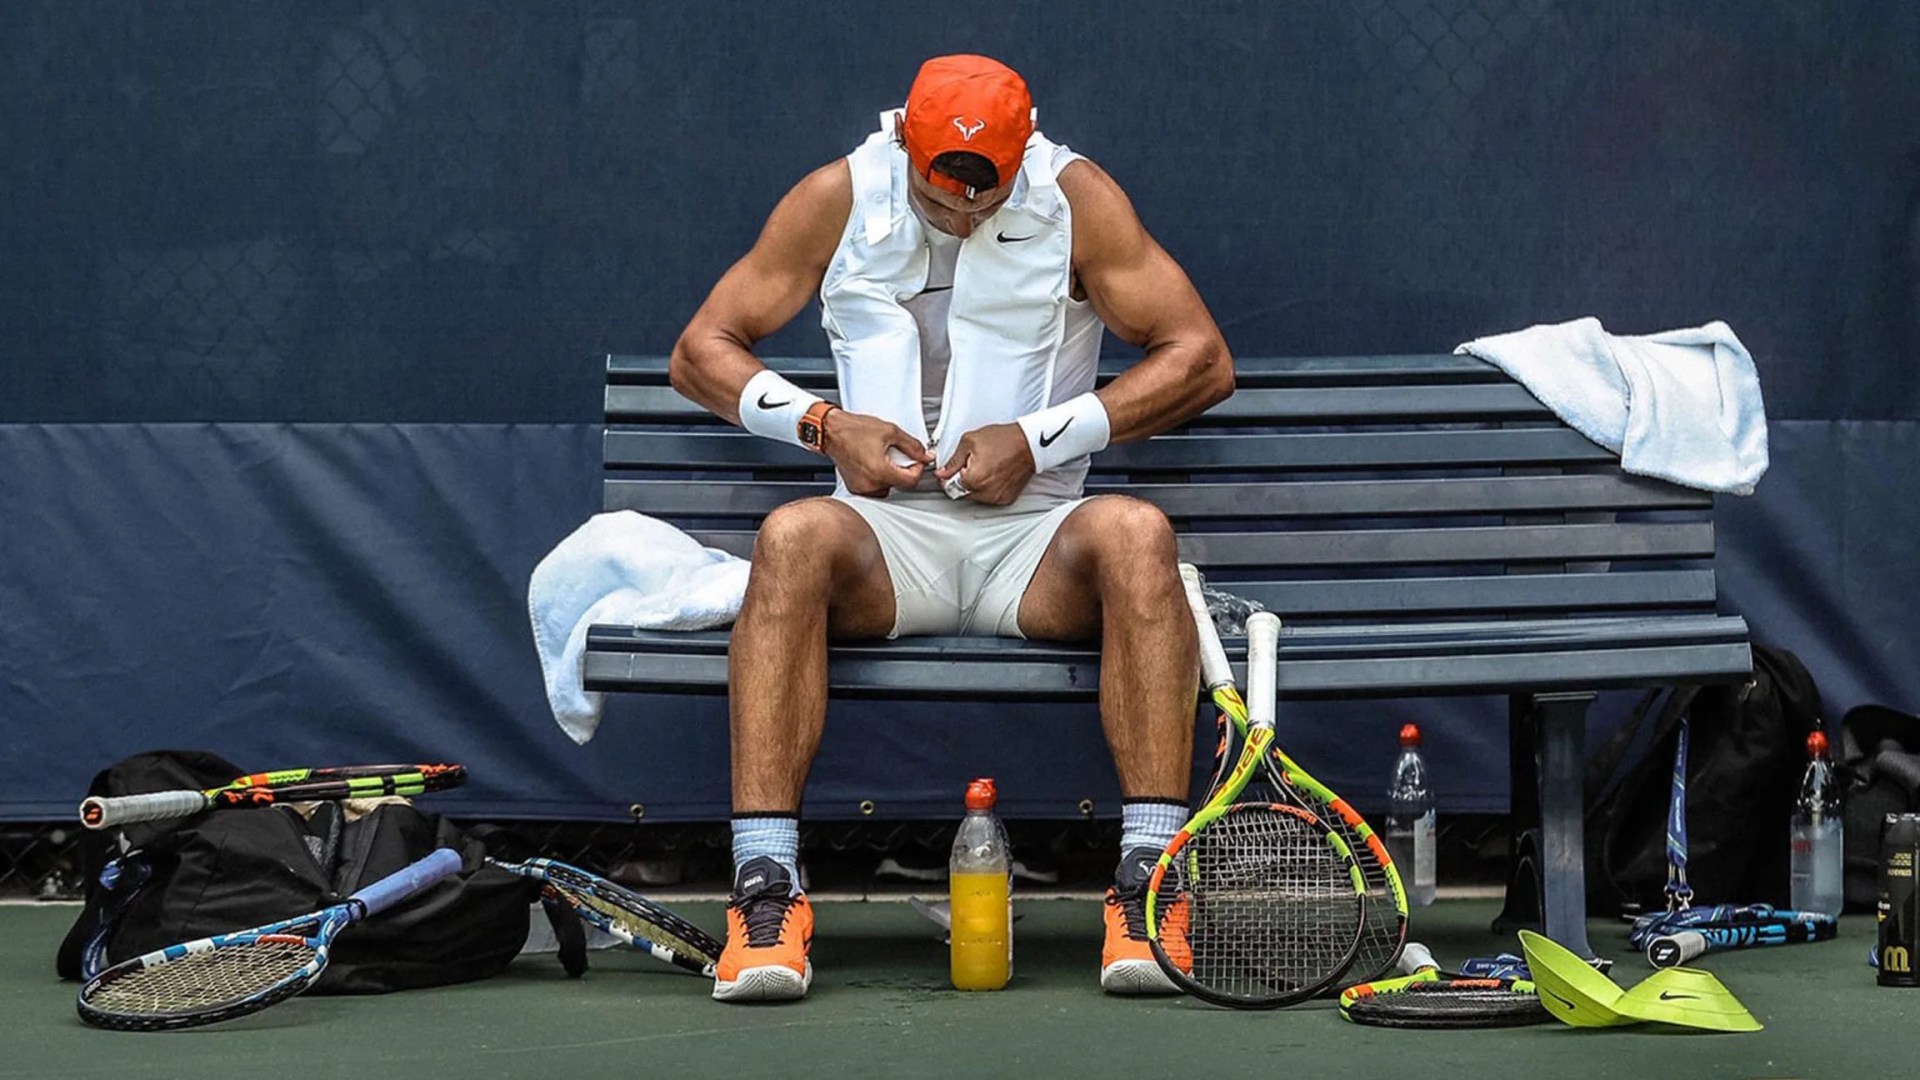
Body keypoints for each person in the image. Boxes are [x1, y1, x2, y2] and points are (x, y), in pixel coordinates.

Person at [669, 54, 1234, 1002]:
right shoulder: (835, 196)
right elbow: (700, 353)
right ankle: (765, 893)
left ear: (1023, 151)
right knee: (790, 538)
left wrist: (1040, 434)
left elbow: (1202, 359)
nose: (968, 217)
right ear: (905, 146)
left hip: (1034, 536)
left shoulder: (1079, 197)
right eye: (945, 201)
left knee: (1139, 531)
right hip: (884, 538)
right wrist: (823, 425)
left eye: (989, 197)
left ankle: (1147, 883)